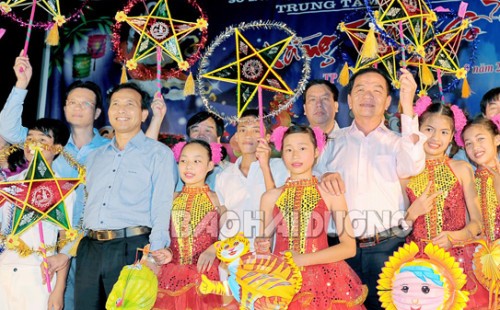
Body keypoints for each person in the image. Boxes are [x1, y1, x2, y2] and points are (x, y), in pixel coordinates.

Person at [0, 50, 167, 309]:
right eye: (72, 102)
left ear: (99, 111)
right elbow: (8, 129)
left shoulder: (108, 150)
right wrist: (21, 84)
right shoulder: (50, 148)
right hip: (54, 251)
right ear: (64, 107)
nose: (77, 107)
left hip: (102, 245)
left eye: (86, 104)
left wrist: (155, 120)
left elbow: (150, 172)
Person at [317, 67, 426, 309]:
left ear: (388, 101)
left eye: (377, 90)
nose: (368, 96)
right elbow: (311, 179)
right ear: (349, 100)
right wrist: (324, 174)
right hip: (340, 250)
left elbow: (414, 165)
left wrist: (408, 105)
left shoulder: (399, 142)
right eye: (361, 89)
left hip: (388, 247)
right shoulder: (331, 143)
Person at [73, 82, 177, 309]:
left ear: (143, 114)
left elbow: (162, 205)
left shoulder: (158, 154)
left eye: (130, 104)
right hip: (90, 248)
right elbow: (84, 204)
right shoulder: (94, 157)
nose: (121, 110)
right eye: (116, 104)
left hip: (132, 247)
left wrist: (153, 254)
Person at [258, 125, 367, 309]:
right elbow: (263, 247)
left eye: (302, 148)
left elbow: (349, 247)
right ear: (282, 154)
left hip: (324, 282)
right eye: (289, 149)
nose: (295, 155)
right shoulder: (270, 197)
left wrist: (302, 259)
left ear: (316, 151)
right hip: (280, 284)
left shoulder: (330, 192)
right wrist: (260, 246)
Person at [404, 102, 488, 308]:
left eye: (443, 132)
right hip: (416, 262)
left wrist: (455, 237)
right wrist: (411, 215)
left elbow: (477, 223)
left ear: (451, 137)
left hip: (457, 260)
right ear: (418, 131)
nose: (435, 138)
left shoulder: (461, 168)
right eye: (429, 129)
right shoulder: (406, 173)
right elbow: (401, 226)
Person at [0, 118, 73, 310]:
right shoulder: (8, 184)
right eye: (30, 138)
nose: (33, 143)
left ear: (57, 148)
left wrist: (59, 288)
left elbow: (67, 239)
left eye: (42, 139)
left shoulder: (63, 188)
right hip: (4, 269)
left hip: (39, 275)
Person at [153, 140, 224, 309]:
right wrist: (166, 252)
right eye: (183, 161)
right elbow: (169, 239)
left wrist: (213, 249)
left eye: (196, 161)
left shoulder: (217, 198)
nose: (188, 166)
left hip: (205, 274)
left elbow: (233, 237)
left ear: (210, 166)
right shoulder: (172, 198)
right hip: (172, 274)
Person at [215, 109, 288, 249]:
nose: (247, 135)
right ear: (236, 136)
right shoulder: (224, 176)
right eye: (242, 130)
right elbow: (223, 219)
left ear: (267, 137)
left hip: (269, 256)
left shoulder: (281, 168)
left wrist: (265, 166)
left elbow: (278, 208)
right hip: (232, 257)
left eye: (255, 130)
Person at [462, 116, 500, 241]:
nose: (475, 147)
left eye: (480, 139)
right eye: (469, 143)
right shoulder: (468, 181)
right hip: (480, 254)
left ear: (497, 139)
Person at [175, 111, 228, 191]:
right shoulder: (175, 168)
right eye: (195, 130)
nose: (201, 135)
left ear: (218, 138)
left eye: (207, 131)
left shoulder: (228, 171)